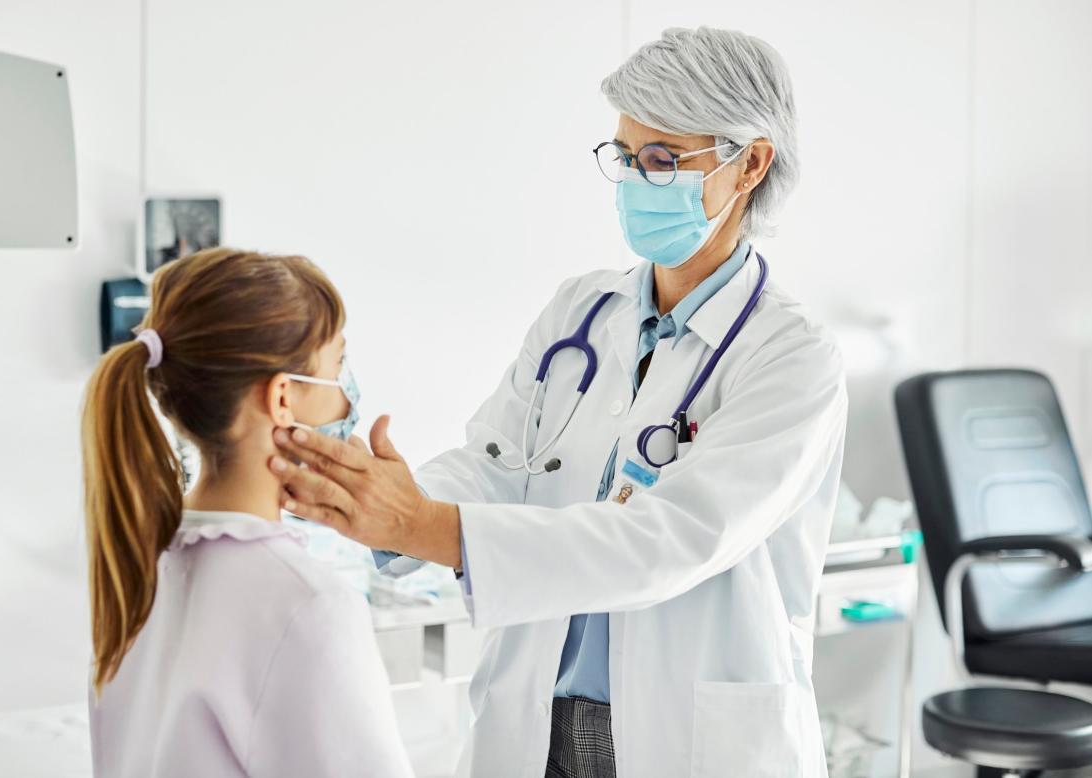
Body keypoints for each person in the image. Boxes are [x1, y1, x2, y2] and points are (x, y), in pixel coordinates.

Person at [267, 26, 848, 778]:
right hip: (535, 714)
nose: (639, 180)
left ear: (751, 165)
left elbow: (671, 540)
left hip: (686, 736)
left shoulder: (791, 354)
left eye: (664, 160)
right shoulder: (581, 313)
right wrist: (388, 508)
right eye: (626, 157)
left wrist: (424, 524)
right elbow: (496, 463)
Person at [80, 248, 412, 777]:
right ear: (283, 398)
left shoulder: (136, 569)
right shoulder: (309, 605)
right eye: (339, 364)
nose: (348, 396)